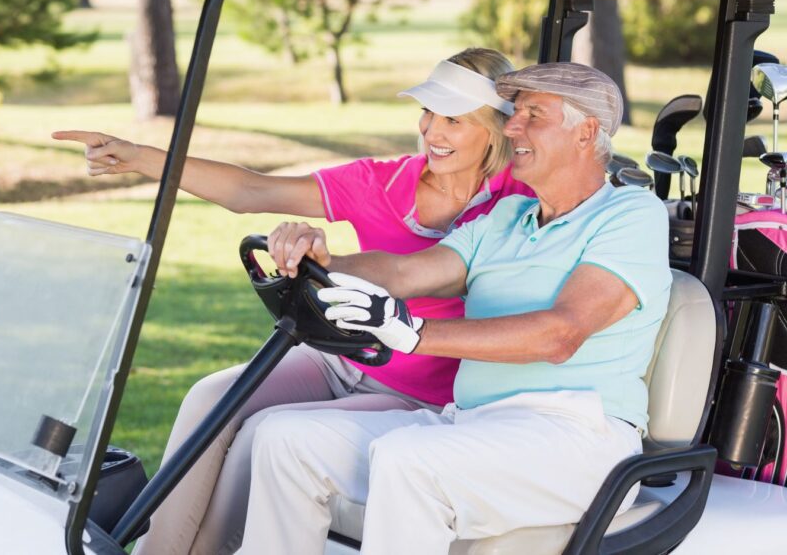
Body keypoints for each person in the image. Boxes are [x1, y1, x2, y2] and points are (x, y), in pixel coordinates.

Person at [53, 48, 533, 555]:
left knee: (262, 436)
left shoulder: (516, 202)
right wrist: (140, 157)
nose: (432, 131)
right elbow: (249, 190)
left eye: (453, 120)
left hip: (417, 389)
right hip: (337, 356)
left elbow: (420, 275)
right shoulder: (385, 181)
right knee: (211, 398)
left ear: (497, 128)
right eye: (428, 113)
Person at [238, 63, 672, 555]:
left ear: (586, 131)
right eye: (514, 114)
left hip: (577, 436)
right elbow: (405, 273)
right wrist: (324, 261)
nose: (512, 127)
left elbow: (561, 334)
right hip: (472, 422)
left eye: (532, 114)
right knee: (284, 438)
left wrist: (414, 332)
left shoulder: (630, 215)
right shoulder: (507, 217)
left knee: (409, 460)